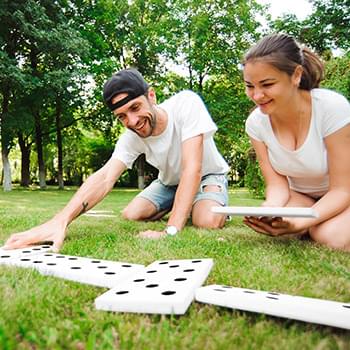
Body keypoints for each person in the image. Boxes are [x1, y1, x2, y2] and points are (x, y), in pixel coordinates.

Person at [4, 68, 229, 251]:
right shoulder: (131, 136)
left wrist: (171, 229)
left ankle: (199, 204)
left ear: (151, 96)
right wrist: (60, 220)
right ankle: (187, 203)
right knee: (132, 214)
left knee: (206, 221)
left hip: (206, 174)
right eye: (122, 116)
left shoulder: (186, 104)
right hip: (169, 182)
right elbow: (104, 178)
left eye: (135, 107)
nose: (132, 121)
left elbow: (192, 168)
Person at [242, 33, 350, 251]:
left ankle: (318, 224)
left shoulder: (332, 108)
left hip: (343, 193)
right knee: (280, 225)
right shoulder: (256, 123)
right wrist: (270, 208)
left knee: (330, 236)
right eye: (250, 86)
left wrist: (303, 222)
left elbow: (342, 190)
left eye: (267, 84)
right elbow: (276, 184)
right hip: (301, 195)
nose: (257, 95)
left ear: (296, 75)